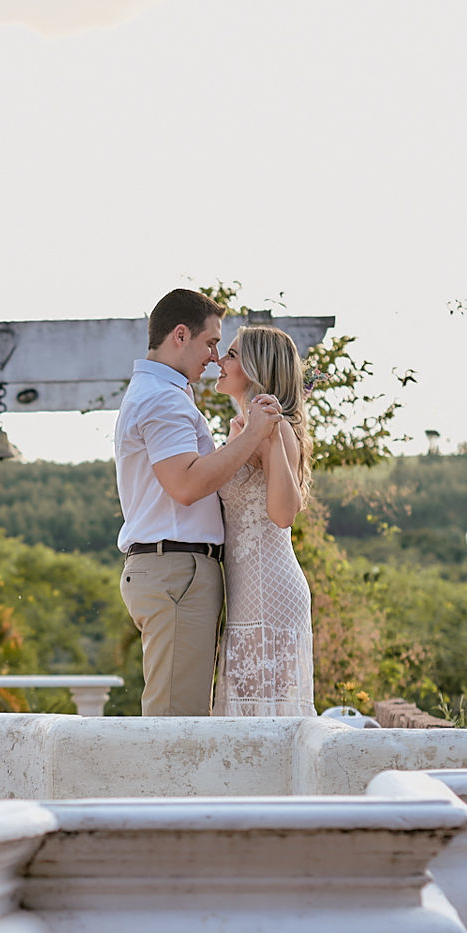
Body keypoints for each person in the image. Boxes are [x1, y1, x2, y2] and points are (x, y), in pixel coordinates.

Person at [115, 289, 284, 716]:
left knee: (182, 717)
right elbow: (186, 485)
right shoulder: (162, 398)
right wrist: (253, 435)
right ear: (179, 335)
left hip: (174, 569)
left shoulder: (162, 392)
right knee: (176, 724)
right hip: (177, 571)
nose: (214, 356)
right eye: (210, 343)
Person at [212, 325, 317, 717]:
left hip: (269, 592)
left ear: (256, 367)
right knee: (247, 720)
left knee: (263, 723)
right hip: (245, 591)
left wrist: (269, 438)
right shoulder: (239, 429)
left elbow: (284, 514)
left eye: (232, 355)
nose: (220, 361)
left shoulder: (279, 429)